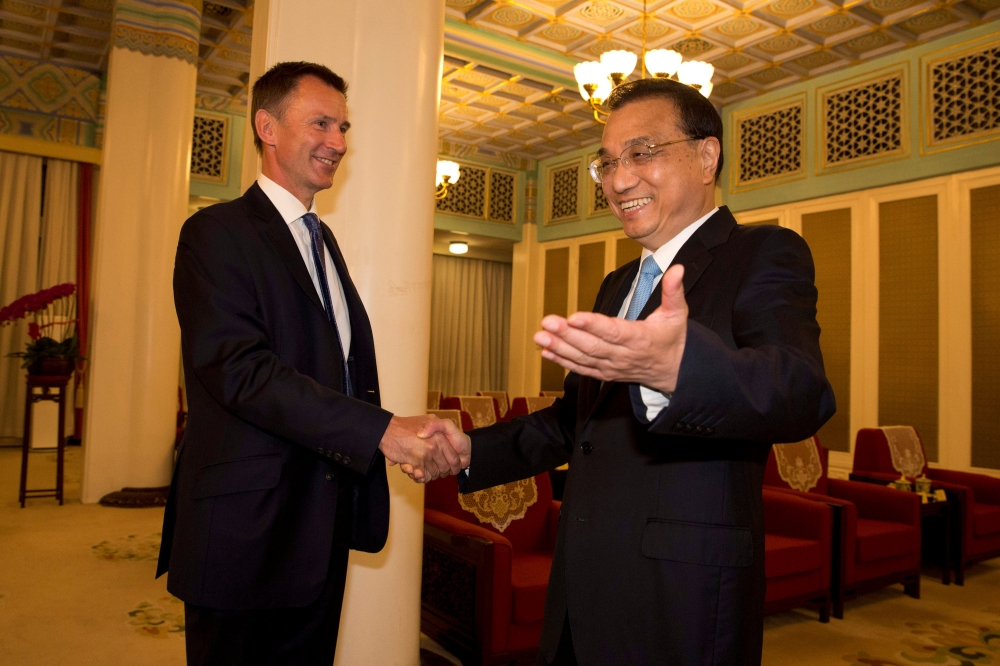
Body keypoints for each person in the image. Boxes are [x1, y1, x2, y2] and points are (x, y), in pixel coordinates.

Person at [421, 78, 835, 665]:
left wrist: (678, 370)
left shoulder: (763, 253)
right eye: (607, 162)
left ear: (707, 155)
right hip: (579, 585)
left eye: (642, 153)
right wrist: (470, 450)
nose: (618, 180)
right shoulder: (618, 283)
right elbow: (577, 422)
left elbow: (802, 391)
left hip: (679, 596)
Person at [157, 61, 469, 666]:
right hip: (247, 531)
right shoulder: (215, 233)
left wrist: (393, 434)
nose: (339, 143)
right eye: (321, 123)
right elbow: (240, 371)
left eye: (344, 127)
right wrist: (381, 431)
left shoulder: (321, 242)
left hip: (320, 525)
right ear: (267, 127)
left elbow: (335, 375)